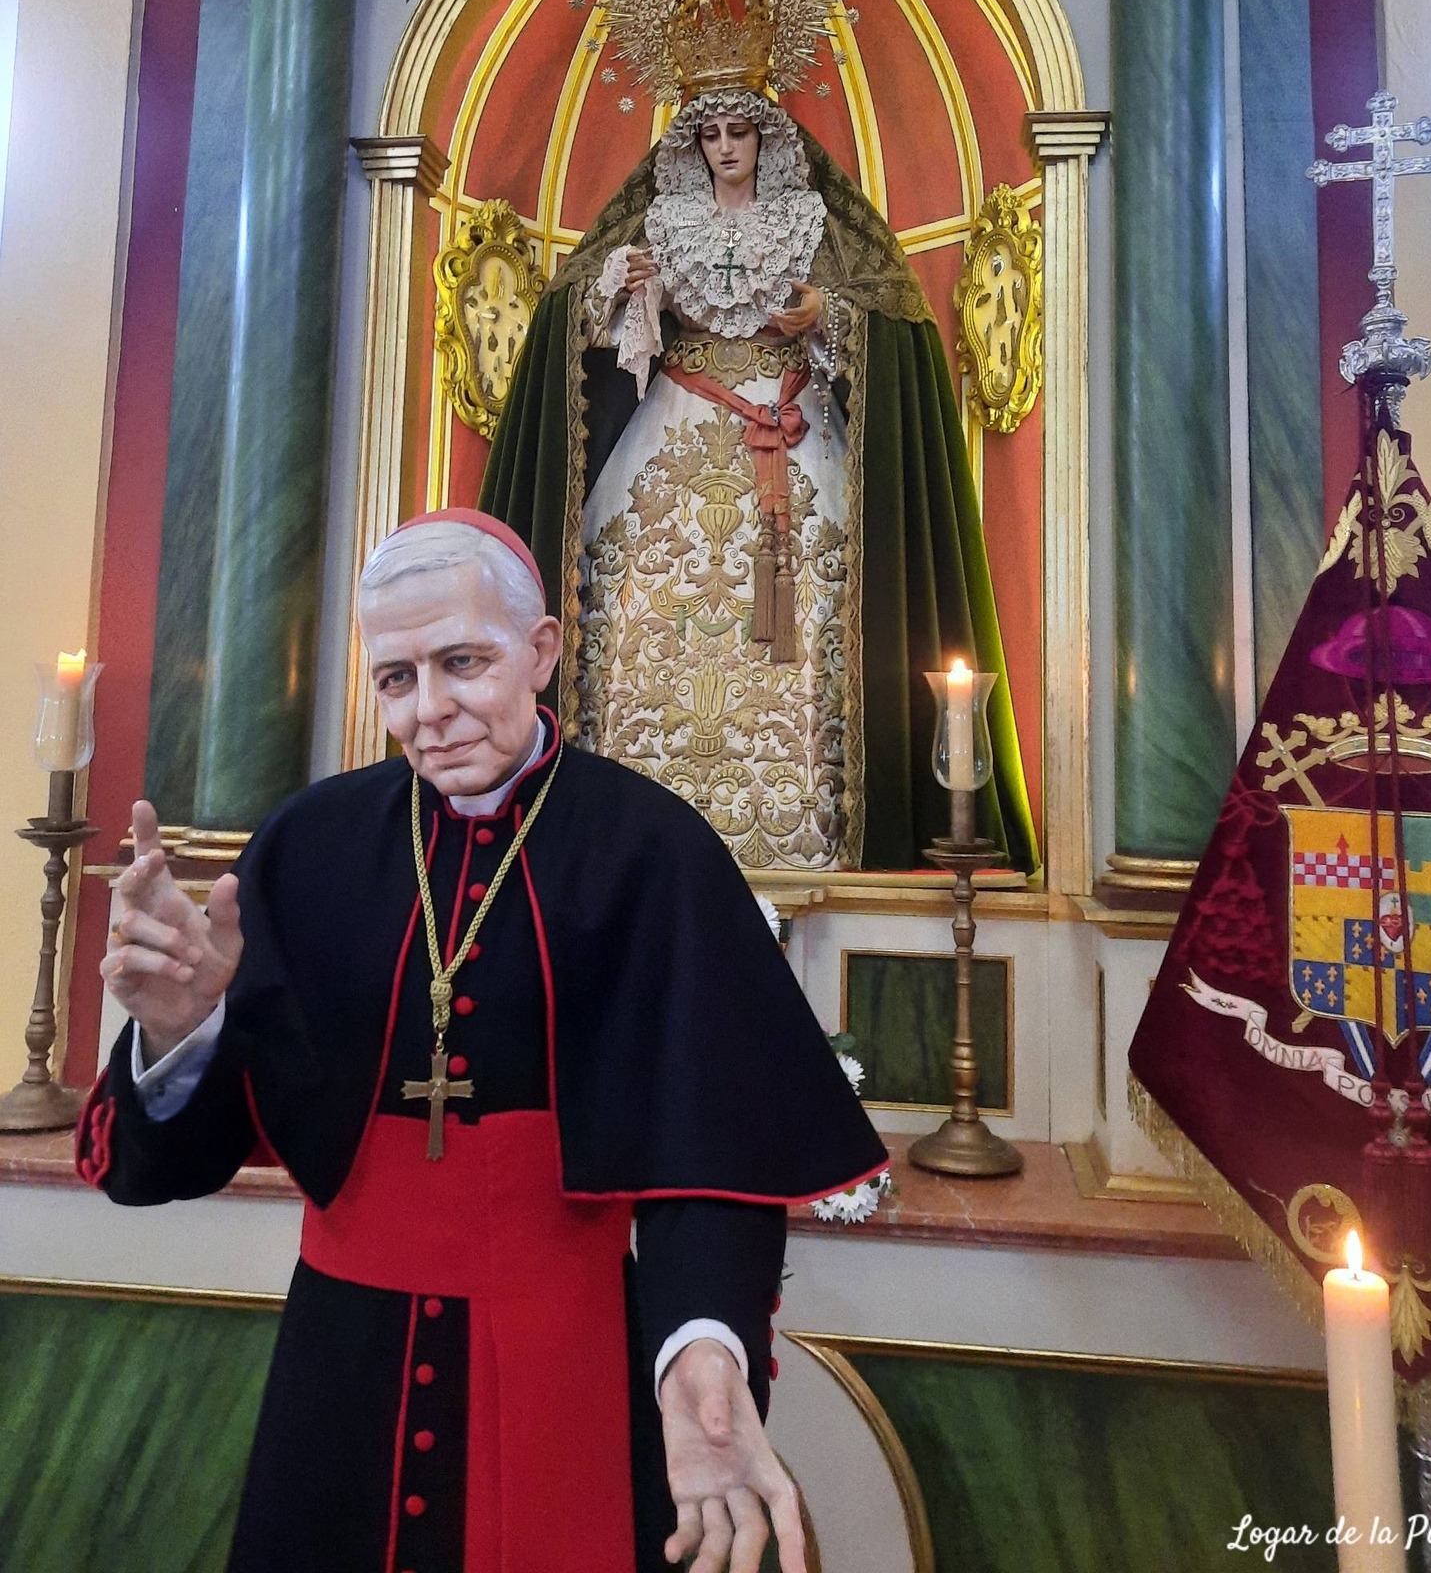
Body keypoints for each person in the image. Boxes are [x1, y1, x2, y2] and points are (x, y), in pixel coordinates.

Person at [78, 509, 886, 1573]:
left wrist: (702, 1348)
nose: (431, 709)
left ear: (541, 651)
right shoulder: (308, 845)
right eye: (397, 677)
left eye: (463, 662)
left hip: (570, 1361)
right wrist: (181, 1031)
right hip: (341, 1375)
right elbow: (169, 1164)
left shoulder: (652, 851)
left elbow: (711, 1155)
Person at [482, 0, 1035, 873]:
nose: (728, 145)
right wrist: (626, 296)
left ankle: (803, 837)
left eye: (742, 128)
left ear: (765, 134)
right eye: (712, 133)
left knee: (811, 639)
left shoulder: (818, 223)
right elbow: (572, 330)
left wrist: (826, 315)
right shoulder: (653, 220)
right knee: (642, 624)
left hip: (793, 449)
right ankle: (634, 848)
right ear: (690, 142)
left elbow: (897, 325)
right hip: (669, 457)